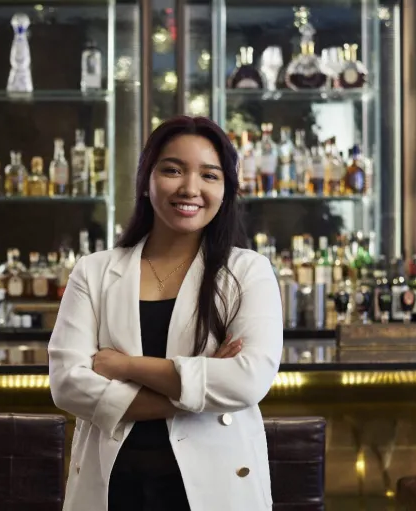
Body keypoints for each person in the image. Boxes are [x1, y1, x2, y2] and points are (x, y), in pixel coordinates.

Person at [48, 115, 283, 511]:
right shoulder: (95, 270)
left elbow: (247, 381)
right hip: (113, 486)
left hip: (216, 488)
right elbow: (67, 384)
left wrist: (124, 366)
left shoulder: (247, 271)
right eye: (173, 170)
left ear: (226, 190)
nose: (190, 188)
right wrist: (198, 387)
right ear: (146, 181)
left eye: (209, 175)